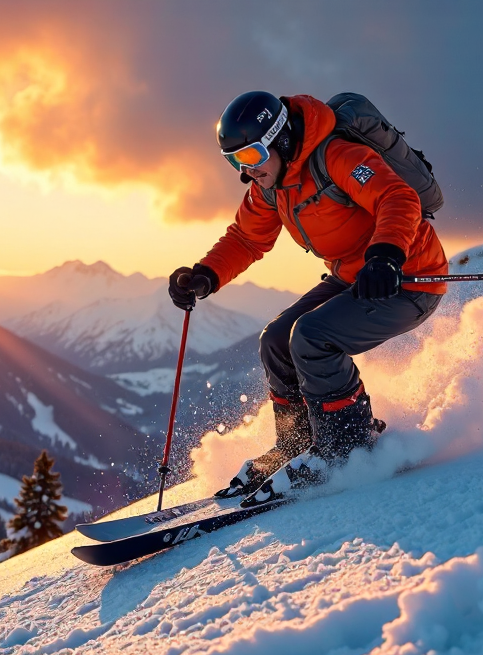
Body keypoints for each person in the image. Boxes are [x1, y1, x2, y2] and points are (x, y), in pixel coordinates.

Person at [168, 91, 448, 505]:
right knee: (276, 340)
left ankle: (346, 447)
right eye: (234, 161)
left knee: (312, 337)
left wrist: (386, 255)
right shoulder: (272, 185)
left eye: (250, 155)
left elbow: (397, 197)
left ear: (280, 140)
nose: (246, 171)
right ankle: (299, 443)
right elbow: (246, 238)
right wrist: (205, 276)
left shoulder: (337, 157)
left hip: (405, 277)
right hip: (354, 277)